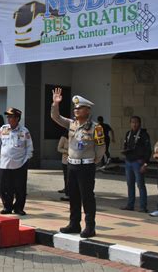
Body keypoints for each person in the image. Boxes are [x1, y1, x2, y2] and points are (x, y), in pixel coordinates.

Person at [51, 88, 106, 238]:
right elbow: (56, 117)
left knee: (87, 196)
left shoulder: (96, 127)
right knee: (73, 196)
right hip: (72, 165)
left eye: (79, 108)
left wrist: (94, 161)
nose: (76, 110)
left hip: (86, 165)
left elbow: (101, 147)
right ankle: (74, 224)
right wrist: (55, 104)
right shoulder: (71, 124)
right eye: (75, 108)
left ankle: (90, 226)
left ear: (87, 110)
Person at [0, 108, 33, 216]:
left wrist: (27, 159)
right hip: (4, 164)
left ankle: (19, 208)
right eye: (8, 117)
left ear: (17, 118)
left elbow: (29, 147)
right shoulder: (3, 129)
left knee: (20, 188)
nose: (8, 119)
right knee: (5, 187)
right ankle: (7, 207)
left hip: (20, 164)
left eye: (11, 116)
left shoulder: (24, 131)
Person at [120, 116, 151, 213]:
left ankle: (143, 206)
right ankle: (130, 204)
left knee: (140, 184)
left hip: (138, 162)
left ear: (140, 123)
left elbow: (148, 150)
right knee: (130, 184)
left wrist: (145, 163)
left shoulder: (144, 134)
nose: (134, 124)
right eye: (132, 122)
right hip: (128, 161)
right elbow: (126, 145)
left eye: (136, 122)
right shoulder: (128, 133)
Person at [57, 130, 70, 201]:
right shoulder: (64, 137)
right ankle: (67, 193)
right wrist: (67, 152)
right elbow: (59, 148)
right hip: (66, 161)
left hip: (76, 161)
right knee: (67, 177)